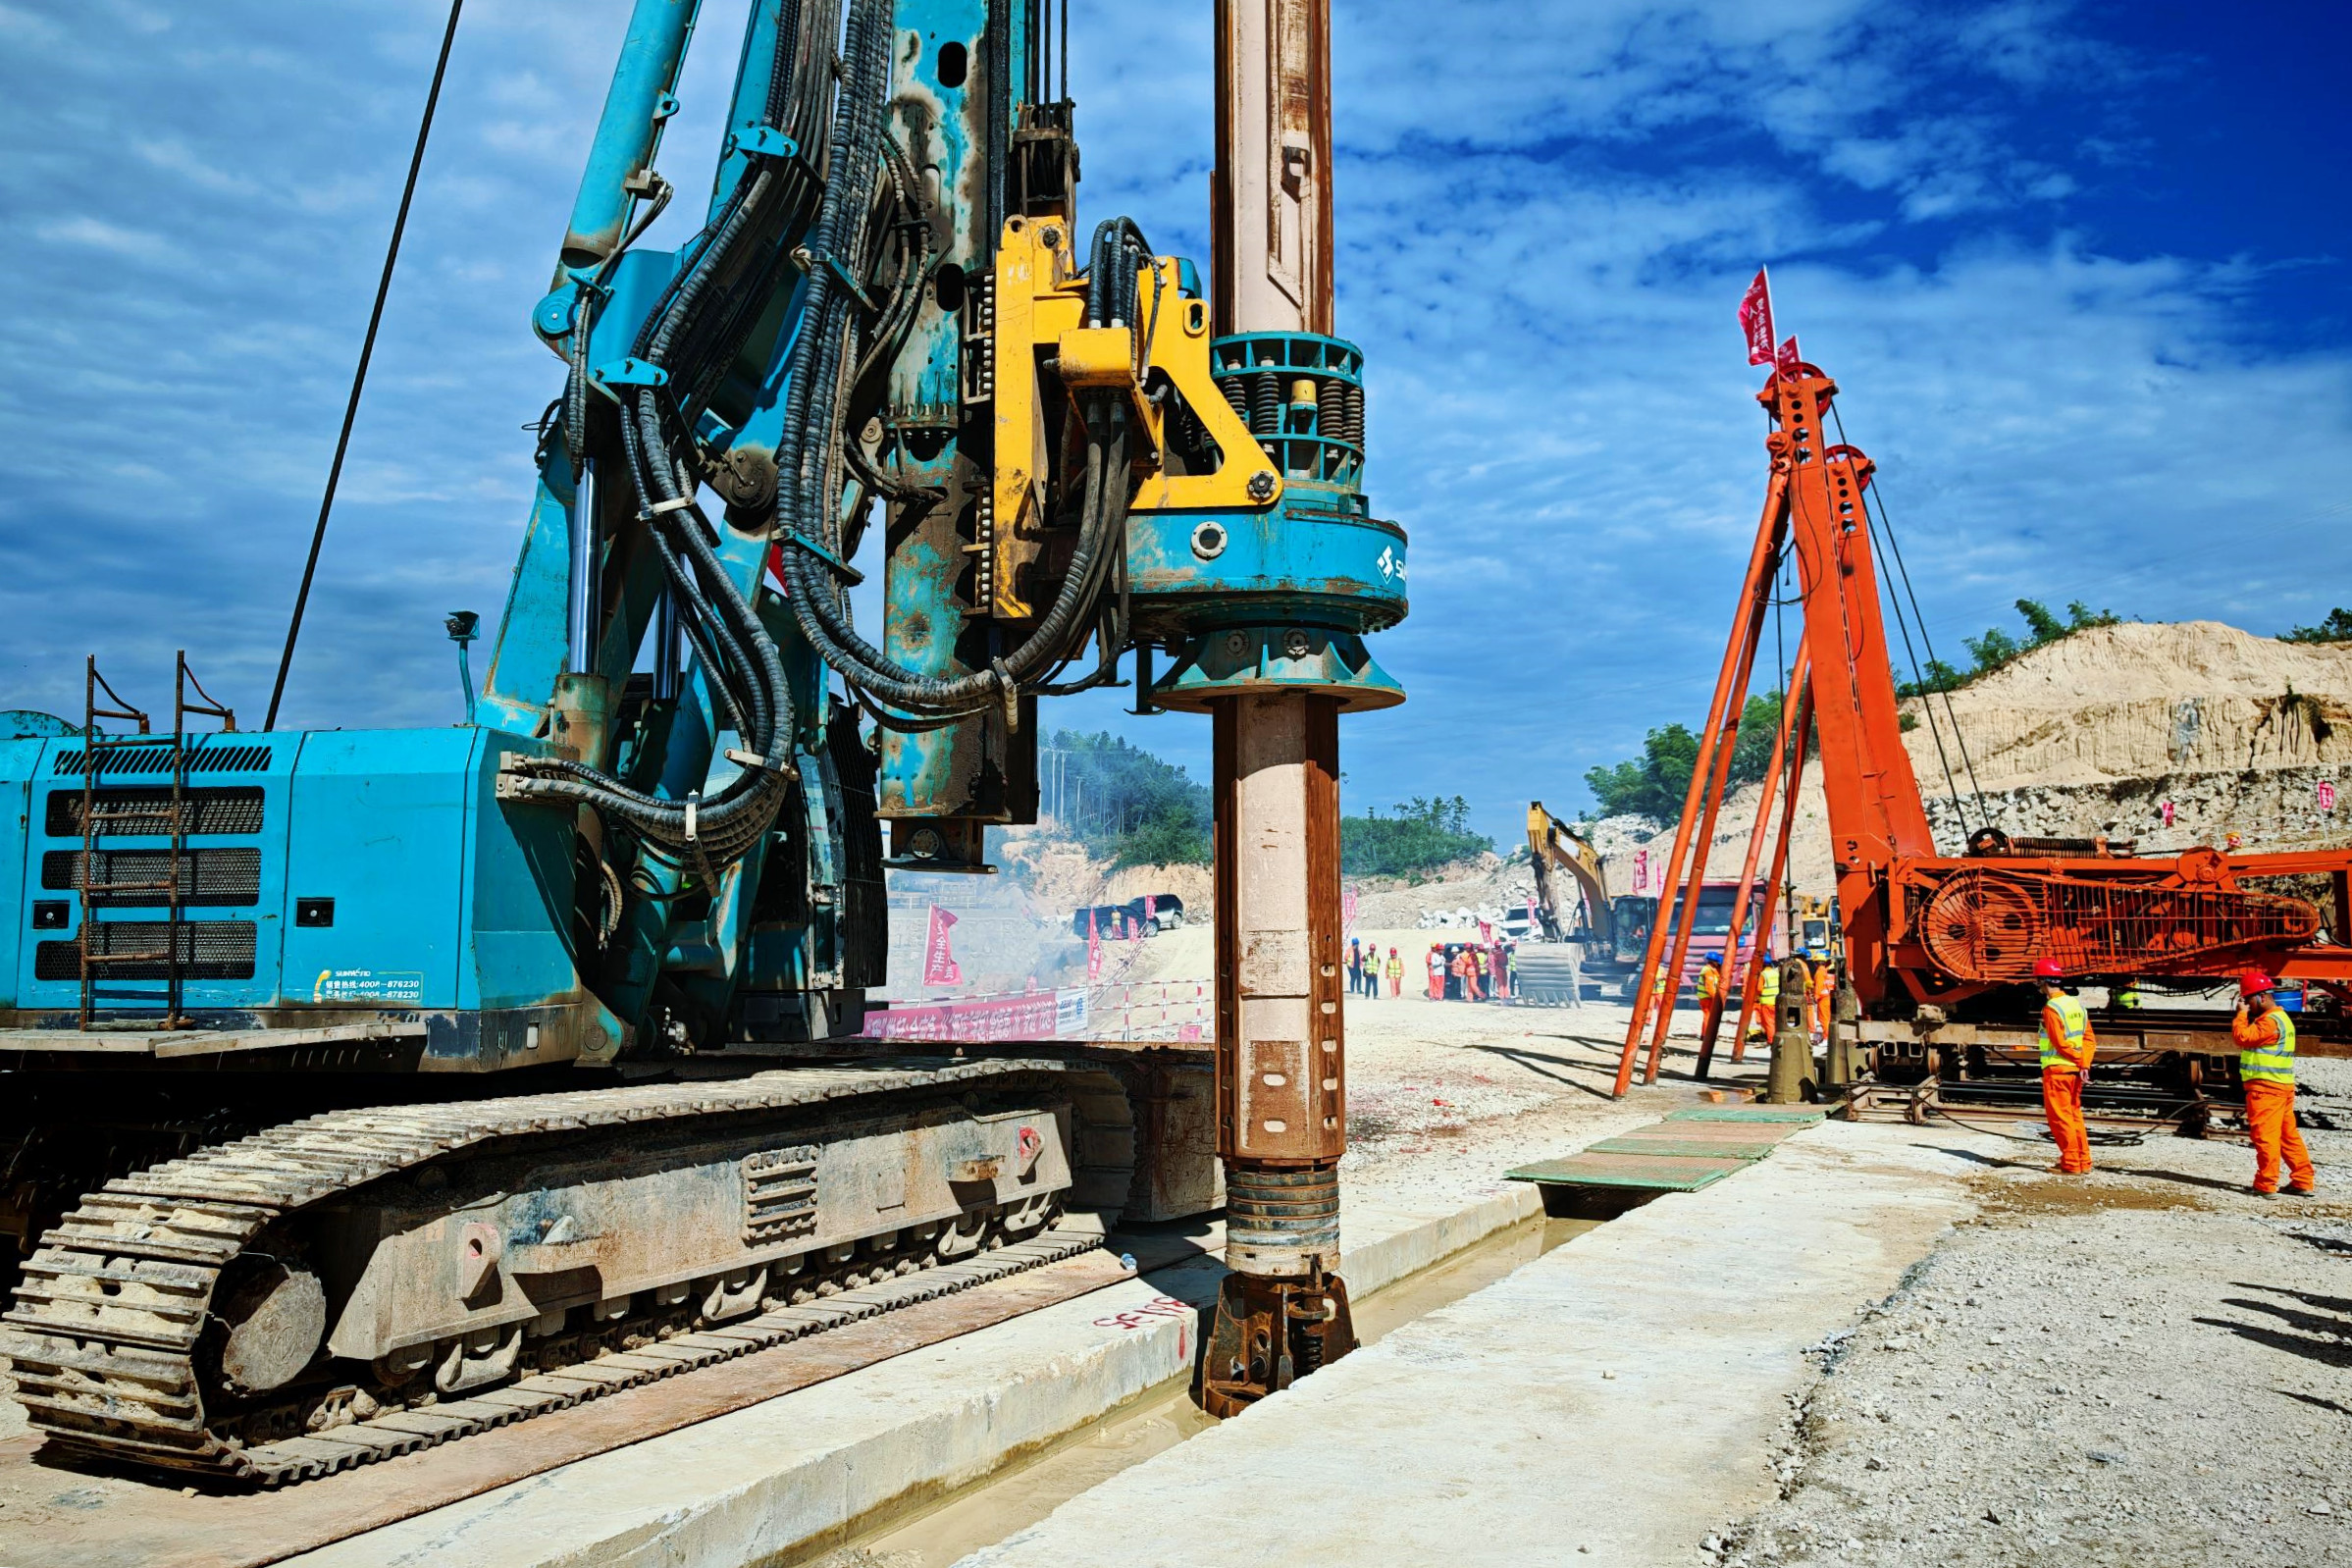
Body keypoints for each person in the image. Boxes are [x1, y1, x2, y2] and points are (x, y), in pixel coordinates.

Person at [2233, 971, 2315, 1197]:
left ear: (2261, 997)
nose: (2246, 1005)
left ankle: (2265, 1185)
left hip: (2266, 1089)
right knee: (2288, 1136)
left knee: (2265, 1136)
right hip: (2281, 1086)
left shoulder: (2269, 1023)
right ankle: (2303, 1180)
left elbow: (2242, 1037)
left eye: (2247, 1000)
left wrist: (2241, 1016)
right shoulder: (2283, 1019)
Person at [2034, 957, 2094, 1176]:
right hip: (2075, 1072)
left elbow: (2059, 1043)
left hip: (2057, 1070)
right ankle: (2083, 1162)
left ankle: (2070, 1164)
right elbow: (2088, 1039)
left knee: (2061, 1118)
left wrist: (2079, 1061)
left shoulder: (2051, 1008)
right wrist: (2084, 1063)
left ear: (2042, 981)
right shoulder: (2076, 1005)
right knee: (2075, 1115)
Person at [1696, 952, 1725, 1043]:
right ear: (1714, 962)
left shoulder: (1710, 970)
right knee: (1709, 1016)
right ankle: (1706, 1035)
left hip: (1706, 997)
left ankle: (1706, 1034)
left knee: (1708, 1016)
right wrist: (1716, 999)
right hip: (1707, 997)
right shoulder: (1708, 971)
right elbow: (1709, 987)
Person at [1812, 960, 1836, 1045]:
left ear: (1816, 963)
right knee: (1828, 1019)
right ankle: (1828, 1037)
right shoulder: (1826, 971)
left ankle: (1826, 1039)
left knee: (1824, 1019)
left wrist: (1816, 996)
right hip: (1828, 997)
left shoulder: (1819, 973)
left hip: (1823, 998)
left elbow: (1819, 986)